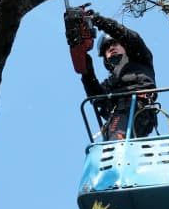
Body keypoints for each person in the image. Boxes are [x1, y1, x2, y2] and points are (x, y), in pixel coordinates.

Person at [65, 9, 157, 140]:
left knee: (114, 147)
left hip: (136, 107)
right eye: (107, 48)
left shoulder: (140, 57)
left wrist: (98, 20)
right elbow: (96, 97)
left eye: (114, 44)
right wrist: (82, 60)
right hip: (118, 116)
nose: (111, 48)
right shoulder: (110, 84)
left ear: (125, 45)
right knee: (115, 145)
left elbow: (129, 37)